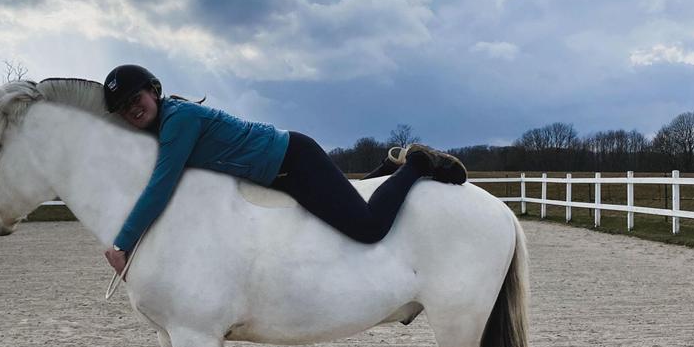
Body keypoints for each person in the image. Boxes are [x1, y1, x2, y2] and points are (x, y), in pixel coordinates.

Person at [101, 65, 467, 275]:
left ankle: (417, 163)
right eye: (123, 108)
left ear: (153, 90)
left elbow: (161, 185)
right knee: (338, 213)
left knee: (369, 228)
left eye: (136, 99)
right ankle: (388, 168)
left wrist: (123, 243)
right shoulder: (167, 125)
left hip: (292, 159)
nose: (132, 109)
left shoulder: (177, 119)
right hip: (281, 173)